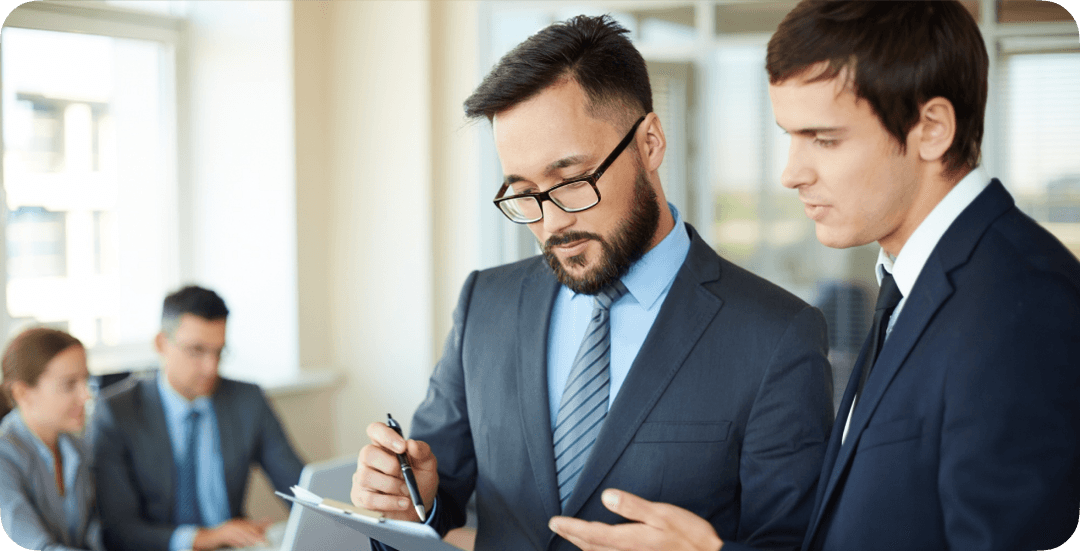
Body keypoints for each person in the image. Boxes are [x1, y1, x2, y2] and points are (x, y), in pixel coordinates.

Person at [352, 15, 833, 551]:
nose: (551, 222)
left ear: (650, 143)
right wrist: (410, 496)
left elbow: (795, 543)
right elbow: (439, 493)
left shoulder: (777, 335)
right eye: (524, 192)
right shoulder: (484, 304)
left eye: (572, 181)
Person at [91, 285, 305, 551]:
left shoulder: (247, 399)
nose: (211, 367)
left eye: (218, 352)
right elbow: (118, 531)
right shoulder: (116, 413)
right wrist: (206, 537)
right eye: (196, 350)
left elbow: (298, 487)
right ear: (161, 343)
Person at [0, 328, 102, 551]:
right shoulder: (5, 455)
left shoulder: (77, 447)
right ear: (22, 393)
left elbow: (95, 534)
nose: (86, 395)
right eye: (69, 384)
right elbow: (33, 547)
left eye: (85, 380)